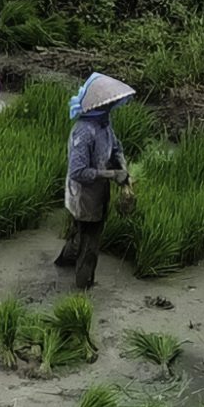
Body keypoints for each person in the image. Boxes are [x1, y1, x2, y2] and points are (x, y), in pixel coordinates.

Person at [54, 73, 134, 289]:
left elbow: (116, 148)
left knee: (81, 236)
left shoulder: (104, 125)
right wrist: (110, 175)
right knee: (90, 246)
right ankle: (83, 291)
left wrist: (122, 168)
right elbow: (77, 171)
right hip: (83, 197)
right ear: (97, 106)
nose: (112, 107)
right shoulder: (83, 132)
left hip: (99, 193)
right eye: (109, 104)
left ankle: (62, 264)